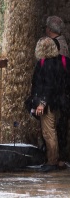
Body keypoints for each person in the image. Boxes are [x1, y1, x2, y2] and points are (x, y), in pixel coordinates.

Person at [30, 36, 70, 172]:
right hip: (62, 102)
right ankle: (58, 160)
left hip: (49, 103)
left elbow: (46, 86)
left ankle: (52, 161)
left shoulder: (44, 64)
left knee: (49, 132)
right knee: (59, 131)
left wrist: (41, 103)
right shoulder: (63, 62)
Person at [46, 15, 70, 166]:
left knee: (52, 127)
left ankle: (54, 159)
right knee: (60, 125)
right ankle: (59, 157)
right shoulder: (64, 43)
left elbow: (54, 71)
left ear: (49, 29)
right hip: (63, 91)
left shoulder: (54, 45)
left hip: (56, 91)